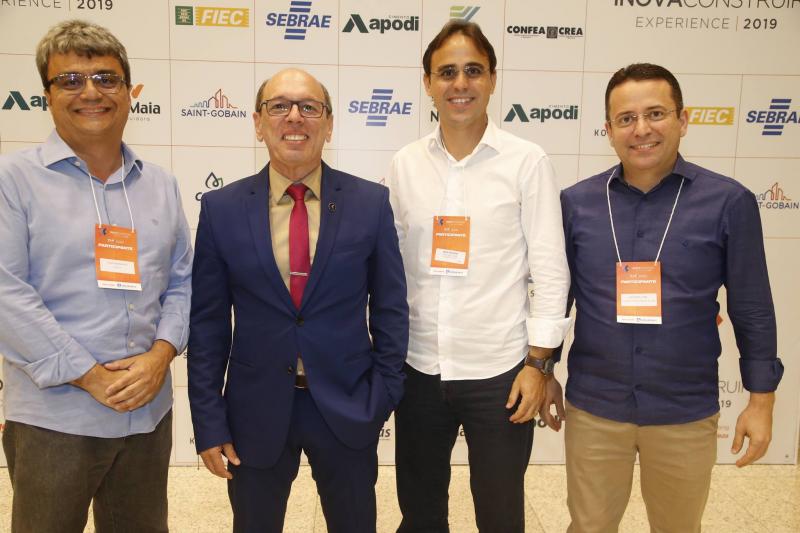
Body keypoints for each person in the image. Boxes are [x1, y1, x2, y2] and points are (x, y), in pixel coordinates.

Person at [550, 63, 784, 533]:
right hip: (596, 406)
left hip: (684, 409)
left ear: (683, 119)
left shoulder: (728, 202)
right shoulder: (577, 203)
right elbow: (558, 297)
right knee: (589, 526)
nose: (641, 129)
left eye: (655, 114)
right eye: (626, 118)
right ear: (608, 130)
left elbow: (752, 308)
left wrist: (761, 403)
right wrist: (543, 369)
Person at [187, 68, 409, 533]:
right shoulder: (221, 209)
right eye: (279, 106)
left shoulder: (369, 203)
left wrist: (383, 394)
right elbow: (208, 326)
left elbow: (390, 309)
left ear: (328, 124)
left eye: (309, 107)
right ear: (257, 122)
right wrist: (209, 421)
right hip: (253, 411)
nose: (294, 117)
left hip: (348, 405)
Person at [0, 19, 192, 533]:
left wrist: (161, 355)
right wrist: (88, 375)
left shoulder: (160, 185)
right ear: (46, 95)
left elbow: (182, 281)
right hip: (55, 417)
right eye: (70, 80)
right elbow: (6, 294)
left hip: (146, 414)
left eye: (106, 79)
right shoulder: (12, 180)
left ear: (130, 92)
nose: (91, 92)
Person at [386, 21, 571, 533]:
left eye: (473, 70)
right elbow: (390, 268)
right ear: (427, 82)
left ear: (492, 78)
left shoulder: (527, 161)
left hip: (502, 373)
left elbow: (550, 271)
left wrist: (539, 365)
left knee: (500, 514)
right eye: (446, 72)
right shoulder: (404, 164)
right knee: (420, 513)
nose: (460, 83)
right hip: (419, 369)